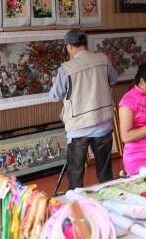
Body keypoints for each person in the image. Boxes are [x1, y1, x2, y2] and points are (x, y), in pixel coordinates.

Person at [49, 29, 118, 190]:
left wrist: (55, 82)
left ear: (69, 47)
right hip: (102, 123)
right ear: (85, 43)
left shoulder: (66, 69)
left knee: (75, 174)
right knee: (105, 173)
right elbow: (113, 80)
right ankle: (109, 199)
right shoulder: (103, 59)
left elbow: (55, 96)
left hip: (78, 127)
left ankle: (77, 202)